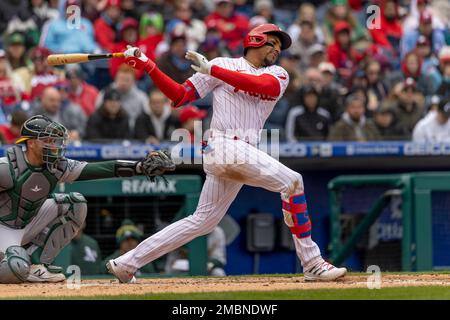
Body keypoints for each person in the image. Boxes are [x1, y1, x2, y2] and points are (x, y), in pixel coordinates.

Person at [106, 23, 347, 283]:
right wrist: (148, 65)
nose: (277, 50)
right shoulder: (222, 64)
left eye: (279, 46)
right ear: (255, 40)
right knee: (293, 182)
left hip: (241, 152)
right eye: (272, 43)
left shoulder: (278, 74)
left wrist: (212, 69)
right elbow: (179, 95)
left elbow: (259, 85)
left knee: (203, 221)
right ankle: (312, 263)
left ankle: (127, 263)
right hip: (222, 145)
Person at [0, 115, 175, 283]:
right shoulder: (7, 168)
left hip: (28, 222)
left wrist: (139, 167)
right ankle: (19, 263)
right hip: (3, 229)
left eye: (54, 140)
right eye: (47, 140)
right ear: (30, 143)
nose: (54, 145)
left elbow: (98, 169)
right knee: (15, 268)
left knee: (75, 203)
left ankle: (38, 265)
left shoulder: (56, 166)